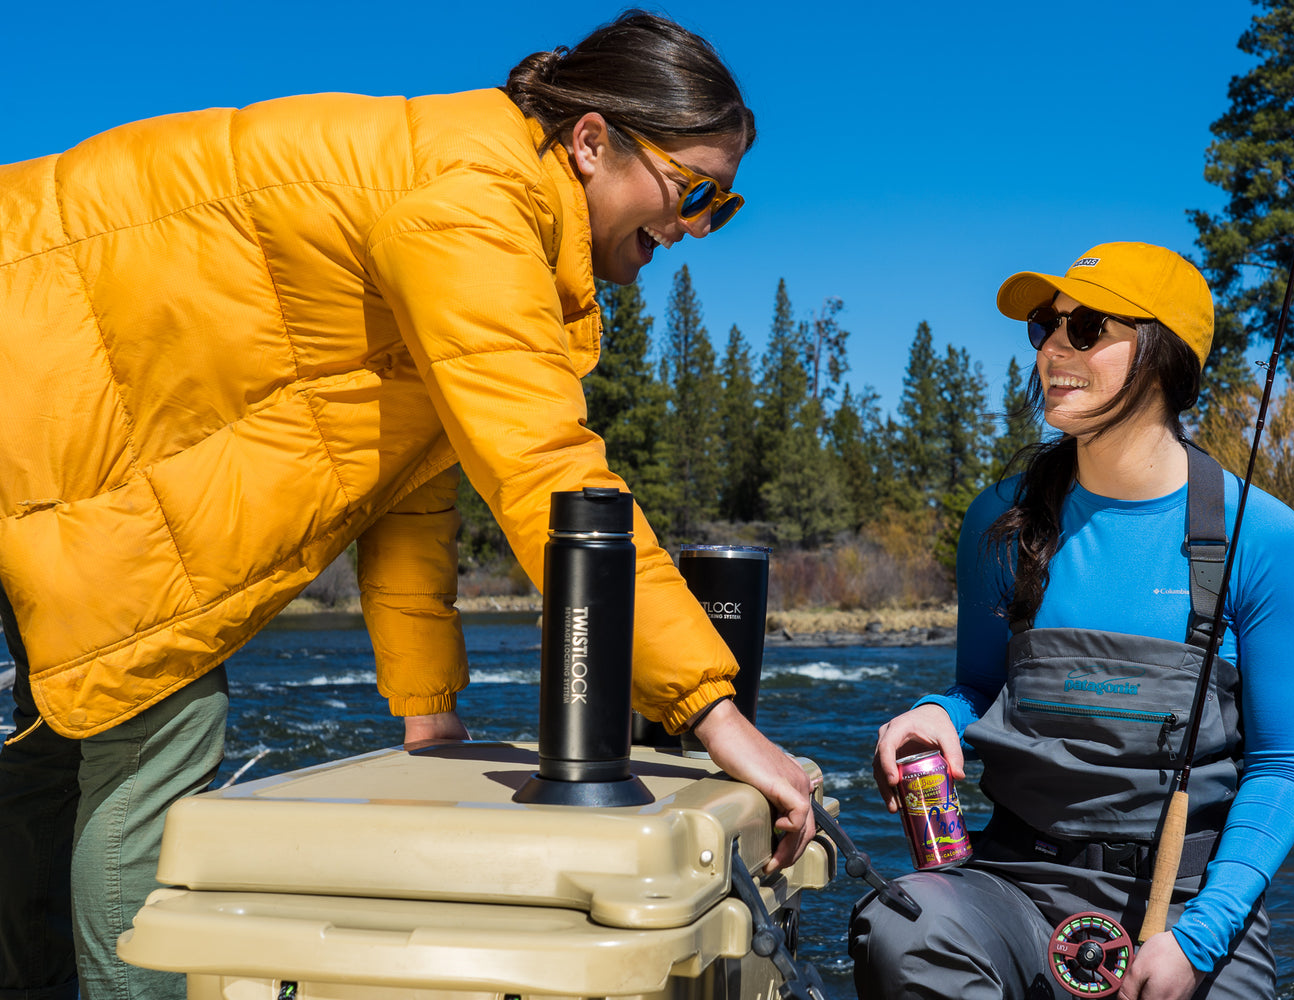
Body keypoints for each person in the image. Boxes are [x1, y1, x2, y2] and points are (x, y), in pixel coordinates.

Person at [0, 12, 815, 999]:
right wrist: (715, 714)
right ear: (591, 142)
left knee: (60, 742)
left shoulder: (473, 184)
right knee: (151, 719)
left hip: (59, 409)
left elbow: (407, 484)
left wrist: (428, 709)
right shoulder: (474, 198)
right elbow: (545, 466)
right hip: (46, 389)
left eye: (717, 209)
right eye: (691, 193)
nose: (692, 229)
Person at [850, 243, 1294, 1000]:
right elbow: (978, 685)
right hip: (1014, 883)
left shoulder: (1264, 540)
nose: (1052, 351)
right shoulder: (999, 520)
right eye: (1046, 325)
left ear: (1163, 357)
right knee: (903, 926)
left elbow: (1281, 769)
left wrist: (1200, 940)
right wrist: (934, 714)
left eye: (1088, 328)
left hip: (1193, 904)